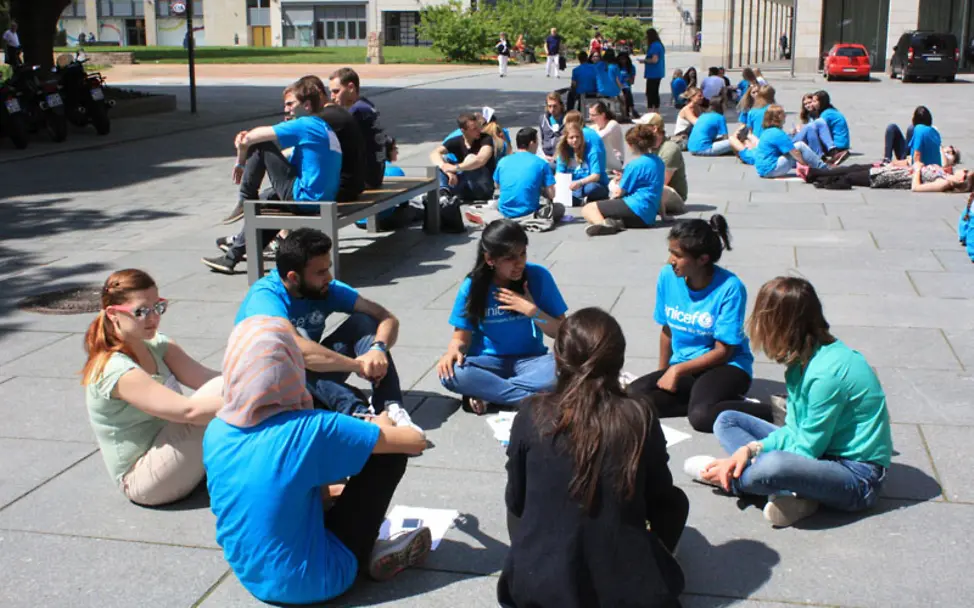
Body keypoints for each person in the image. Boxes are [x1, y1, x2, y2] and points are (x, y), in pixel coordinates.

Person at [204, 315, 430, 605]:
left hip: (250, 574)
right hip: (317, 579)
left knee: (300, 473)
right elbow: (414, 441)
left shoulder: (216, 429)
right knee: (388, 455)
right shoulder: (310, 428)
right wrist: (383, 423)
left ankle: (331, 517)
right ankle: (367, 550)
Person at [498, 308, 687, 608]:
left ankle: (536, 565)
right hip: (627, 595)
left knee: (522, 508)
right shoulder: (639, 415)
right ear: (619, 363)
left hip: (536, 591)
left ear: (557, 360)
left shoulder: (531, 413)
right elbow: (660, 495)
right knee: (676, 502)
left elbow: (516, 500)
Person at [685, 277, 893, 528]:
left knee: (775, 464)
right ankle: (789, 492)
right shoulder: (803, 360)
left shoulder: (825, 375)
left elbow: (807, 449)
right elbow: (794, 431)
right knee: (726, 419)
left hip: (857, 477)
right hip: (824, 452)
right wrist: (748, 450)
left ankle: (730, 479)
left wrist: (747, 459)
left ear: (780, 326)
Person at [235, 228, 421, 434]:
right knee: (290, 358)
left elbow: (386, 318)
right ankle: (360, 415)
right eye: (321, 272)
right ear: (294, 277)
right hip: (267, 384)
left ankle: (389, 405)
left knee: (365, 321)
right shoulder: (266, 297)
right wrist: (358, 365)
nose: (329, 277)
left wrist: (377, 349)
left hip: (307, 375)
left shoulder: (326, 288)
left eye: (328, 269)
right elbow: (300, 352)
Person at [82, 269, 224, 506]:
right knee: (225, 394)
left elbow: (207, 378)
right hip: (144, 480)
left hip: (172, 451)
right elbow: (189, 412)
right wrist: (259, 397)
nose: (153, 318)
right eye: (141, 311)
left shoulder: (156, 344)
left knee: (227, 385)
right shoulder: (115, 369)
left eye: (157, 307)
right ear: (113, 314)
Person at [627, 217, 771, 433]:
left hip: (726, 366)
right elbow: (667, 330)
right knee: (631, 399)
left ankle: (770, 411)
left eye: (677, 255)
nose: (670, 260)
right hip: (686, 365)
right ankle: (707, 399)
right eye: (671, 252)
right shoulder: (667, 277)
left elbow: (723, 351)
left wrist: (677, 370)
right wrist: (664, 372)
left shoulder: (730, 288)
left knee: (701, 418)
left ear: (702, 259)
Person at [203, 79, 343, 274]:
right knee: (266, 201)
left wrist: (241, 159)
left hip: (306, 199)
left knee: (261, 145)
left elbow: (254, 138)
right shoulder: (322, 128)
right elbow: (286, 156)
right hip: (321, 198)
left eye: (290, 104)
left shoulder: (305, 124)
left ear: (307, 105)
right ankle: (231, 258)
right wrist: (256, 151)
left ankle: (245, 199)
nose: (286, 109)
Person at [438, 220, 568, 415]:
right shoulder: (473, 286)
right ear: (490, 259)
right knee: (452, 373)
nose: (520, 263)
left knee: (565, 367)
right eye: (510, 258)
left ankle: (491, 394)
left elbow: (563, 333)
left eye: (523, 253)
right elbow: (460, 338)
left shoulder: (538, 277)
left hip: (531, 361)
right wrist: (452, 352)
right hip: (488, 363)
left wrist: (531, 310)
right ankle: (532, 400)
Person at [466, 127, 561, 230]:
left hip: (505, 210)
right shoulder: (541, 163)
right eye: (537, 141)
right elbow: (552, 194)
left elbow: (497, 185)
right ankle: (522, 220)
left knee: (496, 204)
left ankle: (490, 217)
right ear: (532, 143)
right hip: (529, 211)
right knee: (559, 208)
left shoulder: (503, 161)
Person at [582, 124, 666, 236]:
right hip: (648, 216)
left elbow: (619, 192)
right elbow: (657, 190)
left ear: (631, 145)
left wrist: (611, 197)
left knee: (589, 209)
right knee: (607, 210)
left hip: (635, 207)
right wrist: (664, 215)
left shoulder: (634, 165)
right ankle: (614, 222)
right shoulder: (659, 162)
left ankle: (603, 224)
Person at [429, 113, 497, 230]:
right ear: (463, 130)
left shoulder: (486, 139)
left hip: (482, 188)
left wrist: (456, 168)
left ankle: (446, 193)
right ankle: (444, 194)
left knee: (471, 158)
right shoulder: (455, 141)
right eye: (474, 129)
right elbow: (434, 153)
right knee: (444, 160)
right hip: (463, 187)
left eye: (478, 127)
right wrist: (446, 168)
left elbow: (481, 160)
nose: (478, 131)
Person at [329, 67, 388, 189]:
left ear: (351, 87)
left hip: (365, 179)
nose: (332, 97)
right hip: (375, 175)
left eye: (336, 91)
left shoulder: (357, 112)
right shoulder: (366, 105)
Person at [752, 105, 828, 178]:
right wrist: (805, 165)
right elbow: (795, 152)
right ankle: (823, 168)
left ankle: (817, 164)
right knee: (800, 146)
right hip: (771, 169)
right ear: (777, 117)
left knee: (796, 147)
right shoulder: (777, 133)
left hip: (762, 170)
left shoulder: (767, 131)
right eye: (783, 114)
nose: (785, 116)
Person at [636, 113, 688, 215]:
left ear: (654, 129)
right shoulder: (649, 147)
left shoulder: (670, 149)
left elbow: (662, 182)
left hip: (672, 195)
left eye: (641, 128)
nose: (638, 131)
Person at [800, 162, 973, 193]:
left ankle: (814, 175)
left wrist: (918, 170)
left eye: (965, 172)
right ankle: (814, 174)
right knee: (852, 169)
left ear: (961, 180)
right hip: (890, 171)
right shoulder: (946, 174)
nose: (963, 170)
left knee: (850, 175)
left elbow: (916, 188)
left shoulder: (944, 182)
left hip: (888, 178)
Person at [556, 123, 609, 206]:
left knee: (591, 188)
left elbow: (595, 176)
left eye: (577, 137)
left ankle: (582, 199)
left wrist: (579, 183)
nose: (575, 140)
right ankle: (581, 200)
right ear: (566, 139)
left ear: (582, 137)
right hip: (572, 186)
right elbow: (560, 174)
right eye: (571, 137)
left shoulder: (592, 150)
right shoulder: (563, 152)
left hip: (590, 184)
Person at [789, 93, 834, 158]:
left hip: (807, 142)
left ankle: (824, 153)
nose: (807, 106)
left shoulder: (822, 115)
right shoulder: (807, 116)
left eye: (809, 103)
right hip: (797, 139)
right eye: (805, 104)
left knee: (810, 128)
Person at [812, 90, 850, 164]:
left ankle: (822, 158)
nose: (812, 104)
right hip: (843, 145)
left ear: (822, 102)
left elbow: (817, 130)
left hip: (837, 146)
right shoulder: (830, 110)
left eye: (815, 101)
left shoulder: (826, 114)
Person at [589, 101, 624, 171]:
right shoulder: (593, 127)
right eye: (589, 114)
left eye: (593, 115)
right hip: (602, 162)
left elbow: (600, 136)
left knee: (599, 140)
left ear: (603, 115)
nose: (590, 118)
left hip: (616, 161)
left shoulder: (613, 124)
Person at [641, 28, 666, 113]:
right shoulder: (659, 44)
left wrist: (644, 61)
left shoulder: (654, 46)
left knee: (650, 93)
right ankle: (655, 111)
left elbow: (654, 60)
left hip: (653, 73)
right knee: (654, 92)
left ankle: (651, 111)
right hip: (657, 72)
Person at [538, 92, 566, 164]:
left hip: (562, 156)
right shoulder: (543, 119)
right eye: (549, 106)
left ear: (561, 105)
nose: (552, 109)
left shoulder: (567, 119)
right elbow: (543, 138)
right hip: (547, 156)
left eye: (555, 106)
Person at [617, 52, 639, 119]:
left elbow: (632, 81)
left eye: (624, 59)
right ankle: (631, 109)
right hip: (617, 86)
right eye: (621, 59)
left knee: (627, 91)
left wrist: (628, 80)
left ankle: (629, 111)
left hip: (626, 86)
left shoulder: (631, 67)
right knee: (626, 92)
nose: (622, 61)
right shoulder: (617, 67)